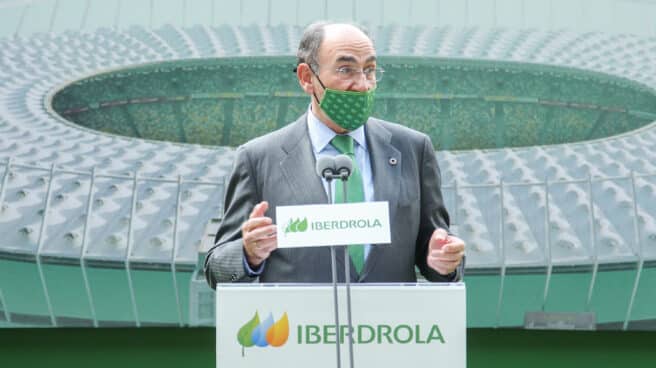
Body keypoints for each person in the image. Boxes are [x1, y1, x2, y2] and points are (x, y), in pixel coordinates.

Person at [204, 22, 465, 287]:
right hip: (298, 326)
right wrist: (248, 254)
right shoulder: (258, 158)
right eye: (345, 70)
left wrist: (443, 259)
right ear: (307, 78)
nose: (362, 85)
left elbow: (435, 246)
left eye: (370, 70)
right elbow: (217, 270)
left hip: (389, 325)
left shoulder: (414, 149)